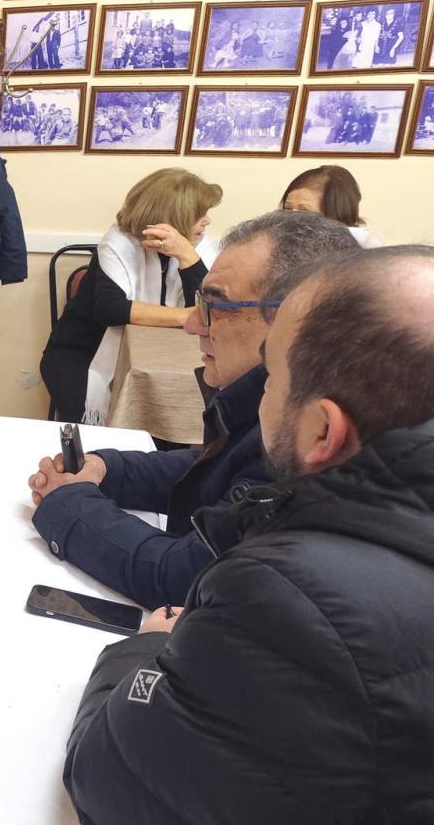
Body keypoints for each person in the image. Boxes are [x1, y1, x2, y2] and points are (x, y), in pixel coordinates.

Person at [63, 245, 434, 825]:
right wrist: (110, 471)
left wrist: (147, 648)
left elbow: (115, 782)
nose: (261, 396)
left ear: (322, 430)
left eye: (273, 377)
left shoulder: (291, 599)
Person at [27, 212, 359, 608]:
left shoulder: (305, 430)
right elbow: (210, 468)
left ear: (294, 319)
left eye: (214, 306)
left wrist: (68, 504)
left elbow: (183, 577)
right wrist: (105, 469)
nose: (192, 326)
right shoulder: (285, 394)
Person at [40, 168, 222, 424]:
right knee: (99, 433)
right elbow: (111, 309)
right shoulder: (117, 244)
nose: (207, 221)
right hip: (83, 354)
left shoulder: (199, 247)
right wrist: (185, 316)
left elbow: (208, 309)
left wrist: (187, 257)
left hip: (163, 355)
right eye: (199, 214)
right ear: (173, 217)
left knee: (177, 415)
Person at [280, 164, 376, 246]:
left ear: (335, 214)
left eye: (304, 211)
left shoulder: (360, 248)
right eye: (287, 208)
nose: (290, 218)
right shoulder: (281, 239)